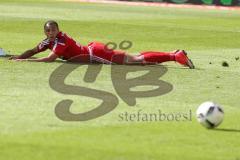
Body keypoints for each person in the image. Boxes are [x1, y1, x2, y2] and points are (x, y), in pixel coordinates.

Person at [10, 20, 194, 69]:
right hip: (94, 50)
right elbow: (33, 50)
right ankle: (173, 54)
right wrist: (19, 57)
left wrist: (27, 62)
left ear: (58, 30)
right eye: (48, 31)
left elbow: (50, 59)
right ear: (45, 32)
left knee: (136, 61)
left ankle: (175, 56)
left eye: (53, 30)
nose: (51, 33)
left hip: (95, 54)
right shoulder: (48, 41)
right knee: (135, 58)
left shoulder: (61, 40)